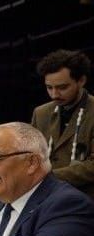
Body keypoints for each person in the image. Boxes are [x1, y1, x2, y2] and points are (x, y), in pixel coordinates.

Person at [30, 49, 94, 197]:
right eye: (49, 87)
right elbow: (31, 155)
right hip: (47, 200)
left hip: (85, 200)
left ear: (81, 81)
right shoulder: (41, 113)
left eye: (62, 87)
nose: (54, 94)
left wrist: (47, 177)